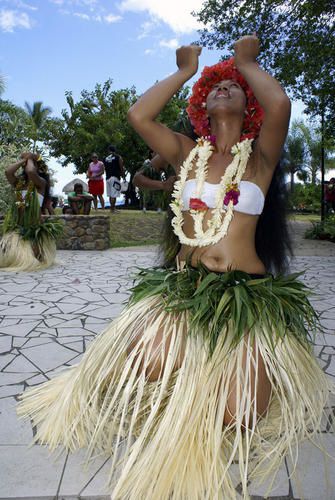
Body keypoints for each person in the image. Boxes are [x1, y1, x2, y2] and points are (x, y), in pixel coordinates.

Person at [17, 37, 333, 499]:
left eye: (234, 85)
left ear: (250, 105)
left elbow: (280, 101)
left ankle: (212, 385)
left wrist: (246, 63)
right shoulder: (189, 153)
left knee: (240, 414)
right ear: (203, 103)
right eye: (215, 85)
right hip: (184, 290)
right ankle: (191, 381)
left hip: (246, 298)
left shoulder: (260, 158)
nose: (224, 87)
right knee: (147, 362)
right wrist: (185, 71)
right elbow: (139, 117)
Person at [0, 152, 63, 271]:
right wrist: (25, 160)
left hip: (33, 224)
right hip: (18, 224)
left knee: (34, 256)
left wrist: (29, 158)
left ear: (38, 167)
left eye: (32, 164)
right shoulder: (19, 183)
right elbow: (8, 172)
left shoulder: (41, 184)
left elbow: (30, 172)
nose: (28, 166)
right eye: (27, 164)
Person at [104, 145, 125, 212]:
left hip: (107, 178)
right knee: (114, 194)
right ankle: (112, 209)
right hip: (115, 177)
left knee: (110, 194)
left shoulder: (105, 158)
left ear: (108, 150)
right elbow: (121, 167)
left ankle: (112, 208)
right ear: (115, 150)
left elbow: (105, 168)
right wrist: (123, 176)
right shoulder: (118, 157)